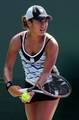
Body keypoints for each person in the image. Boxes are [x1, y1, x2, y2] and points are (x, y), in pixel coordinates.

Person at [4, 5, 60, 120]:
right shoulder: (17, 40)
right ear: (29, 23)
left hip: (50, 86)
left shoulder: (52, 43)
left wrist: (25, 92)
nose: (44, 25)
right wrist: (10, 87)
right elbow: (8, 67)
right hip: (29, 85)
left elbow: (45, 73)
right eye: (40, 21)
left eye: (46, 21)